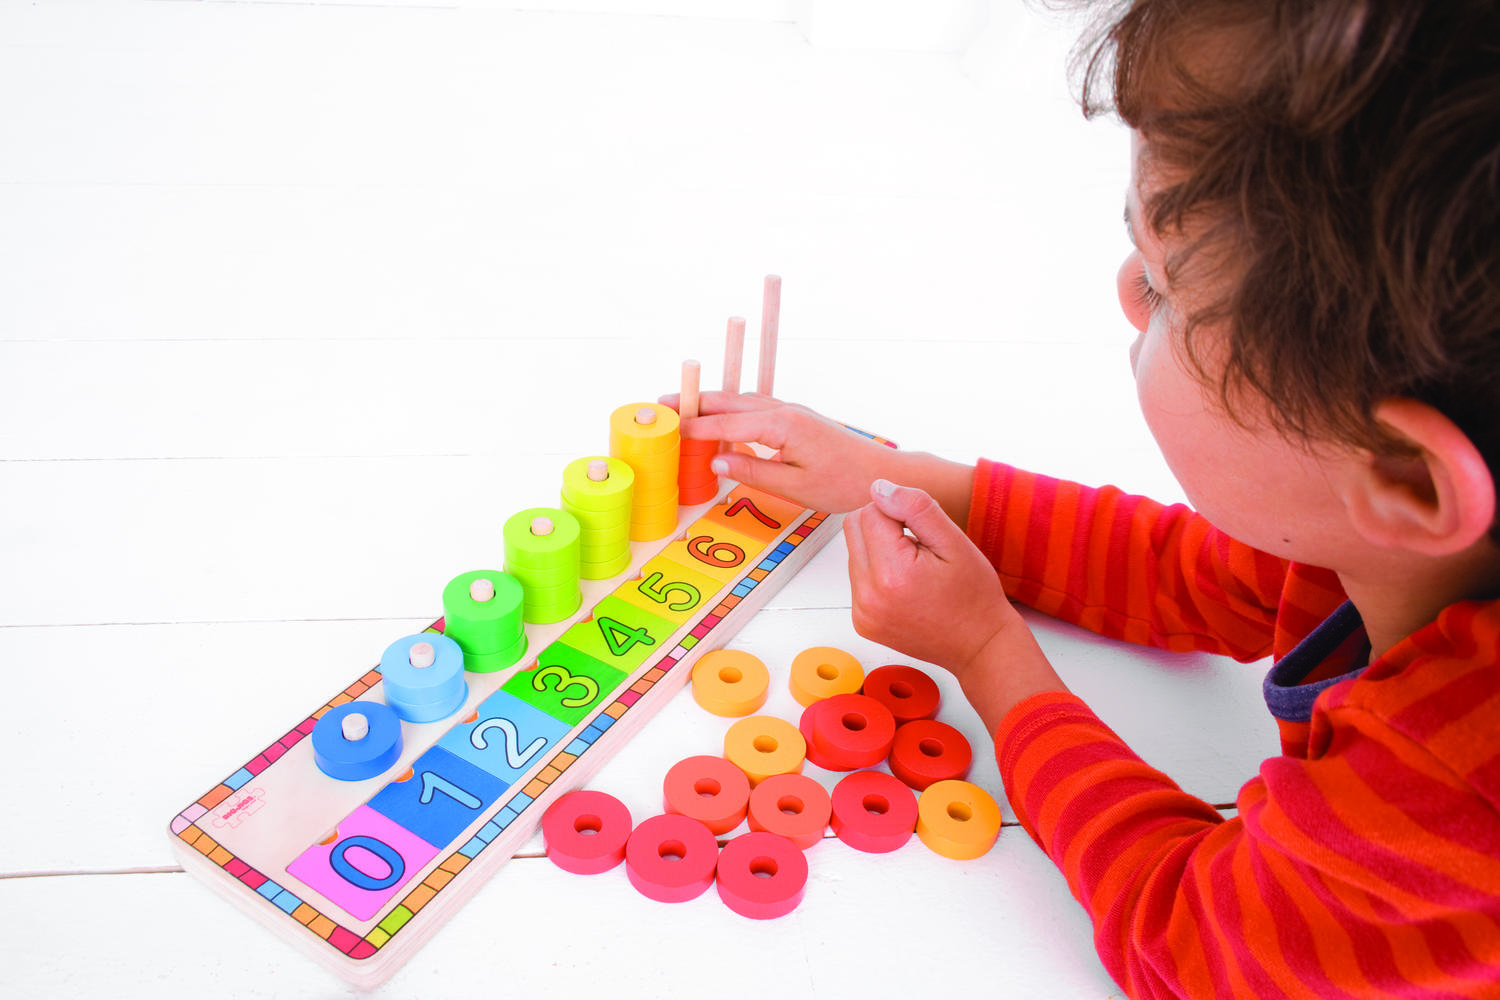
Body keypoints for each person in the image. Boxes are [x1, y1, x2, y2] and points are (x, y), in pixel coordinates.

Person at [663, 2, 1500, 996]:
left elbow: (1185, 942)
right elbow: (1191, 574)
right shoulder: (1369, 530)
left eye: (1166, 289)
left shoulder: (1450, 791)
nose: (1127, 293)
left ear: (1409, 478)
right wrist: (892, 475)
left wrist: (989, 652)